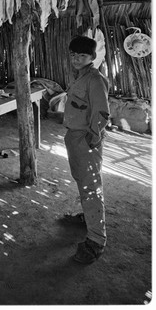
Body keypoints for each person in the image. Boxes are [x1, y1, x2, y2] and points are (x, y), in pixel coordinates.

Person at [62, 35, 110, 264]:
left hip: (86, 139)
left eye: (82, 55)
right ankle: (89, 219)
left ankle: (96, 241)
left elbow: (101, 114)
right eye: (73, 55)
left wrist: (93, 139)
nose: (77, 59)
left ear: (92, 57)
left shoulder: (94, 79)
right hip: (75, 137)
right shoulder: (80, 76)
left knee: (91, 187)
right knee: (83, 181)